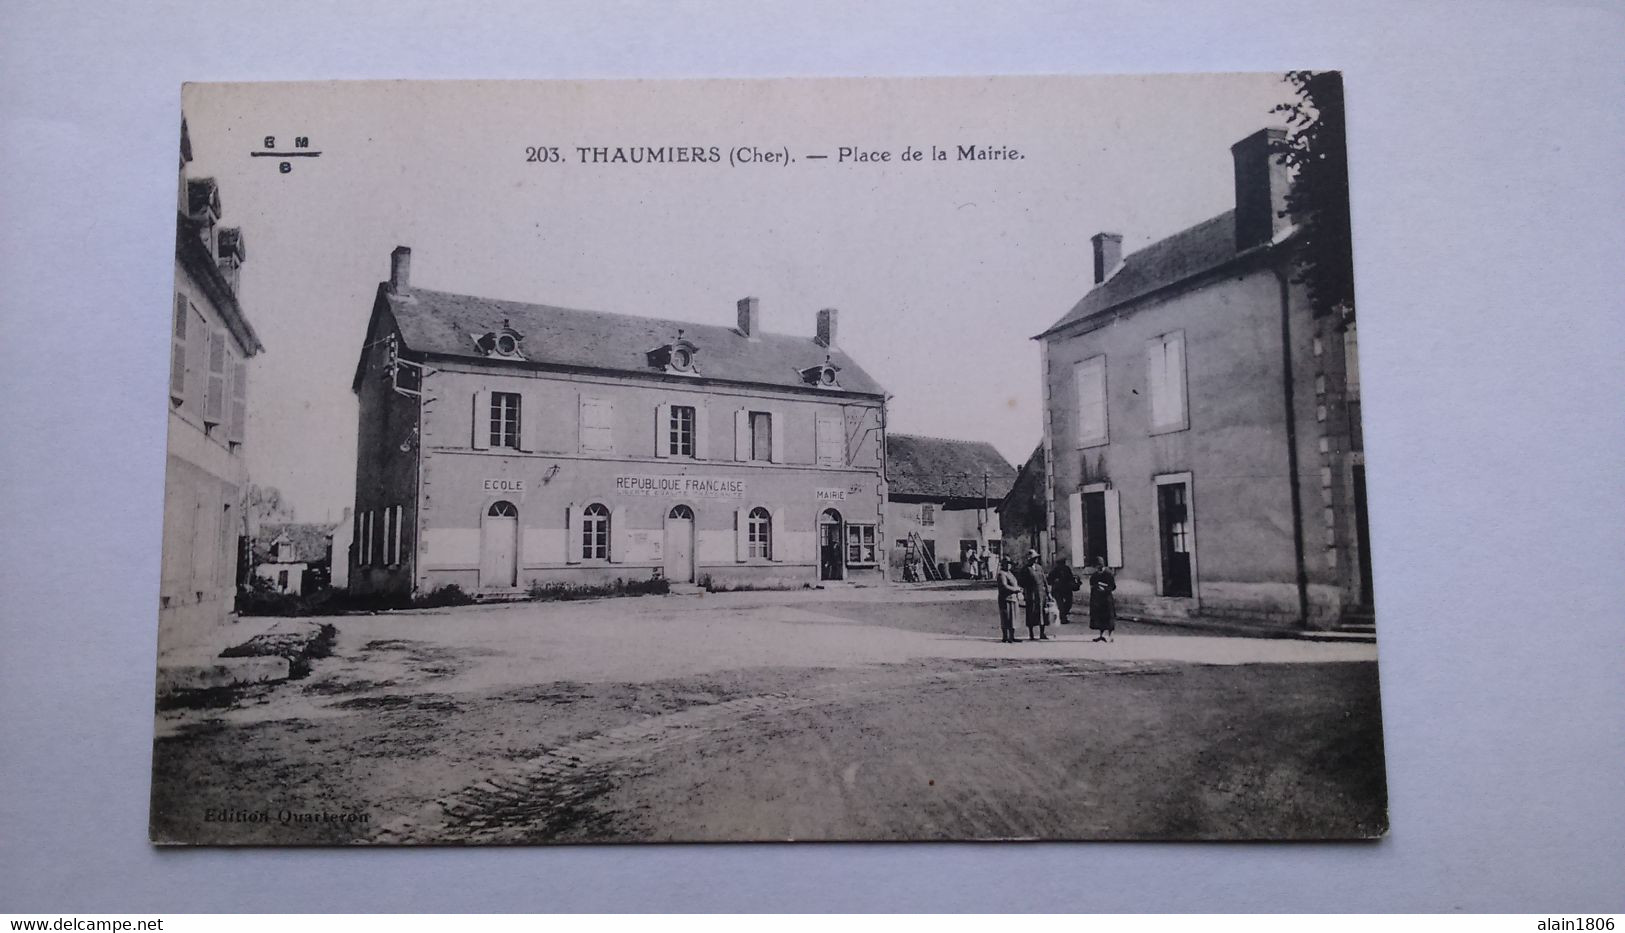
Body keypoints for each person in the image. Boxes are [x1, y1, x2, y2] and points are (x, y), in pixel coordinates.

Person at [1016, 549, 1049, 641]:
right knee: (1031, 612)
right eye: (1033, 558)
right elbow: (1021, 582)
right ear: (1029, 559)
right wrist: (1026, 589)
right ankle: (1031, 634)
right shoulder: (1025, 569)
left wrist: (1048, 593)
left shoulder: (1039, 567)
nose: (1034, 560)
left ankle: (1042, 633)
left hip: (1041, 594)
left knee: (1042, 612)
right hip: (1031, 594)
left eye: (1036, 558)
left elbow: (1044, 580)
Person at [1086, 555, 1117, 642]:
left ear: (1102, 566)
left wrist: (1105, 589)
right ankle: (1101, 635)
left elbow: (1113, 586)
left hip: (1107, 599)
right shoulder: (1094, 575)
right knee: (1099, 618)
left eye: (1099, 566)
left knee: (1109, 618)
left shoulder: (1108, 574)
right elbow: (1092, 584)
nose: (1097, 568)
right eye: (1096, 567)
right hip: (1098, 599)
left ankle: (1111, 636)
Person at [995, 557, 1022, 643]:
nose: (1009, 565)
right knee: (1006, 617)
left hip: (1013, 598)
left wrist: (1018, 589)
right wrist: (1016, 589)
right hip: (1006, 598)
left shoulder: (1010, 573)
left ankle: (1012, 636)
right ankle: (1005, 637)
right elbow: (1004, 586)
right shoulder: (1001, 574)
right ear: (1003, 564)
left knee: (1013, 618)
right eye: (1007, 563)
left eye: (1010, 563)